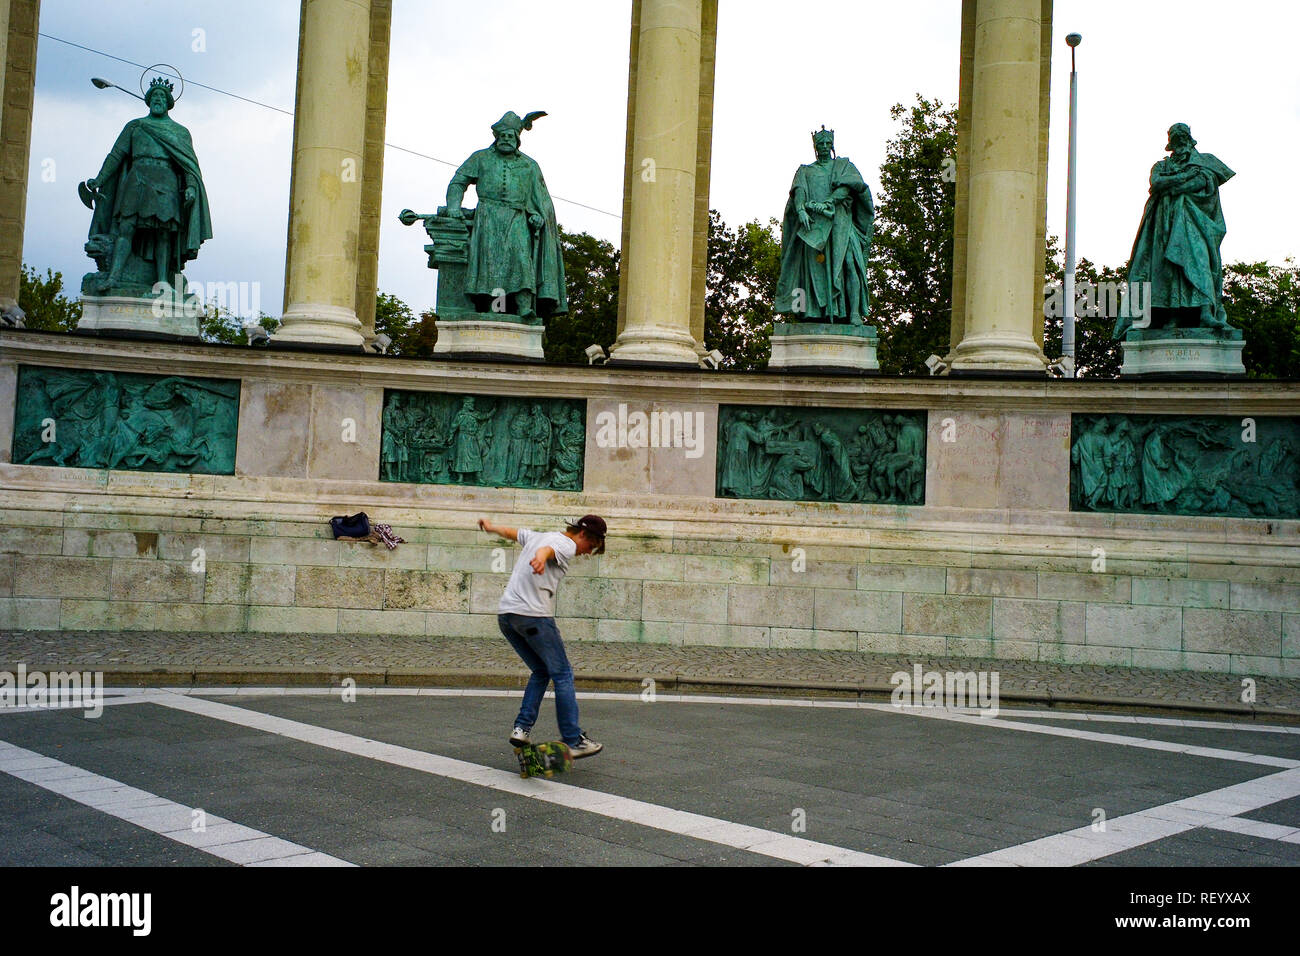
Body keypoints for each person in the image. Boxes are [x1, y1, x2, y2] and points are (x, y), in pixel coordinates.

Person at [478, 514, 607, 758]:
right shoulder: (566, 544)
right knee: (563, 673)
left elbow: (512, 532)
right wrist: (539, 557)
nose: (587, 552)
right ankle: (573, 739)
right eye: (590, 546)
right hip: (534, 616)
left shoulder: (538, 536)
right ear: (582, 534)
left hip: (507, 616)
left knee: (541, 670)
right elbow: (548, 551)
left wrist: (492, 527)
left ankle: (521, 728)